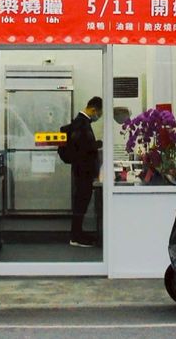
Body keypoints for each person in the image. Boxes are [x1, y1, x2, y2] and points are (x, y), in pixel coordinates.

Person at [66, 96, 103, 248]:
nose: (98, 116)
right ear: (94, 109)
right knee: (80, 204)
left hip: (81, 171)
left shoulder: (81, 122)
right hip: (83, 171)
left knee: (81, 203)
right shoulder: (82, 124)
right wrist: (96, 145)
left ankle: (78, 233)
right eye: (99, 113)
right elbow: (83, 148)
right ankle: (76, 236)